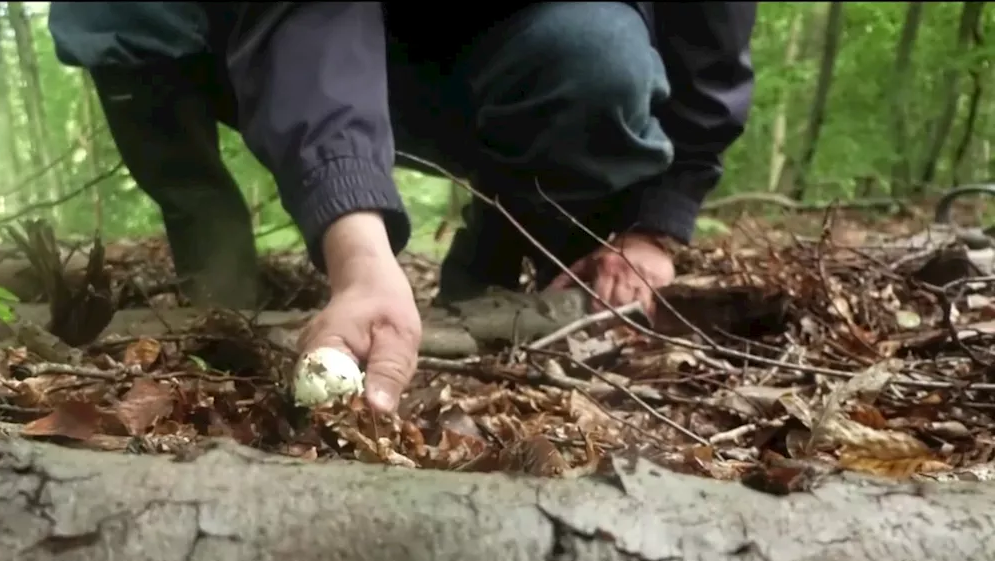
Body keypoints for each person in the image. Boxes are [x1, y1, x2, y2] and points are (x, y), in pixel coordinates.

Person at [48, 2, 757, 415]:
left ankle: (500, 252)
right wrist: (358, 252)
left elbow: (708, 37)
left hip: (527, 45)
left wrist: (658, 223)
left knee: (597, 60)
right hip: (283, 38)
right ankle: (218, 264)